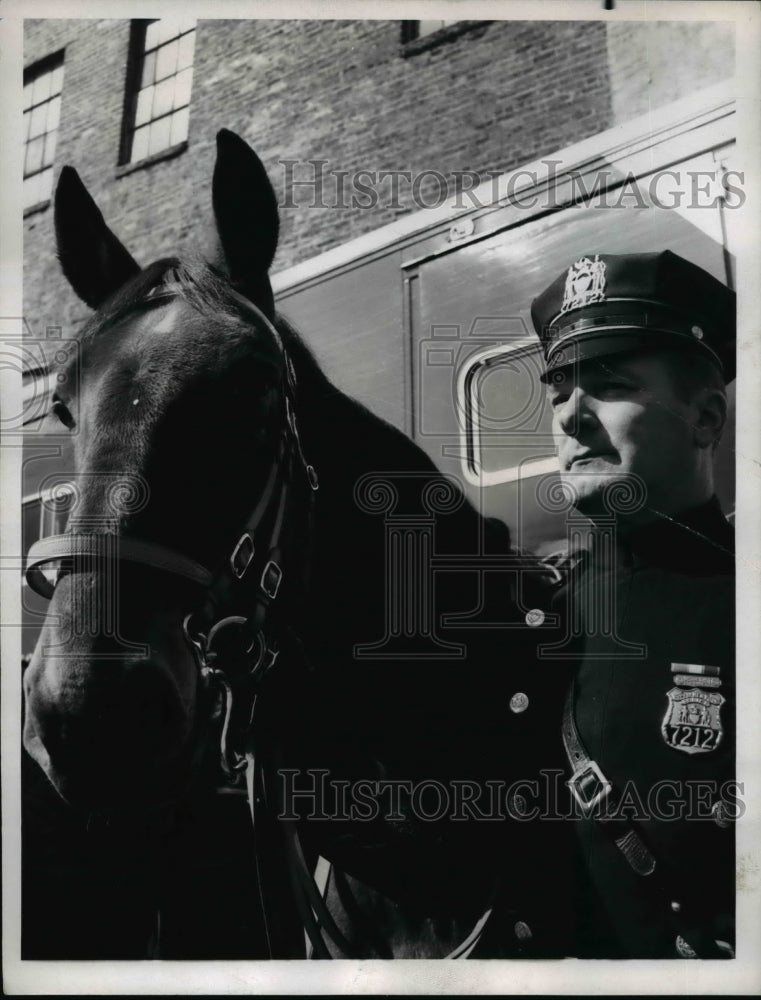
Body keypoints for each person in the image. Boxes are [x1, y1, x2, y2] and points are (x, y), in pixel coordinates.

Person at [528, 250, 736, 958]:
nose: (571, 417)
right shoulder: (539, 615)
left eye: (608, 386)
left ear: (706, 419)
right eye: (559, 394)